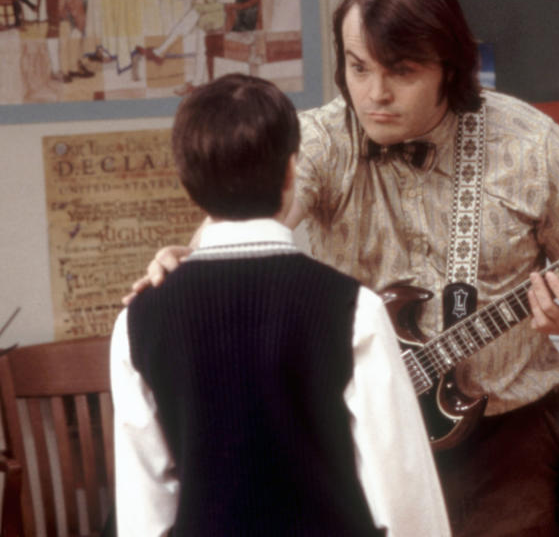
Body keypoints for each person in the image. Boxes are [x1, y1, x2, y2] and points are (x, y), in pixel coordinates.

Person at [127, 0, 559, 536]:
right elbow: (259, 218)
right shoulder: (316, 139)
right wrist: (198, 260)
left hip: (504, 438)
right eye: (358, 68)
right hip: (359, 431)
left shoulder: (530, 142)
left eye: (402, 72)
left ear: (450, 69)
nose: (374, 94)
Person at [111, 73, 450, 536]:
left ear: (185, 182)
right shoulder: (354, 309)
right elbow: (402, 491)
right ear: (292, 171)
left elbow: (143, 509)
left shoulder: (138, 320)